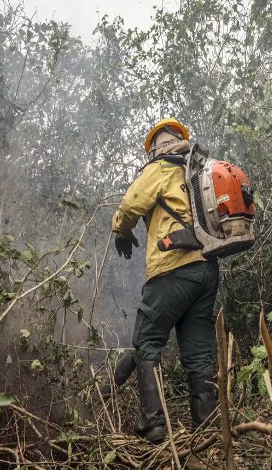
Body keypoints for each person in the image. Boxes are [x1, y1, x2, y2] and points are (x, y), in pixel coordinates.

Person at [111, 118, 219, 443]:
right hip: (206, 270)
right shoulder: (198, 169)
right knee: (198, 352)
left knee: (146, 342)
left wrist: (121, 229)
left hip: (173, 266)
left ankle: (154, 424)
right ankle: (208, 429)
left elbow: (131, 204)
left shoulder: (160, 168)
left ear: (157, 147)